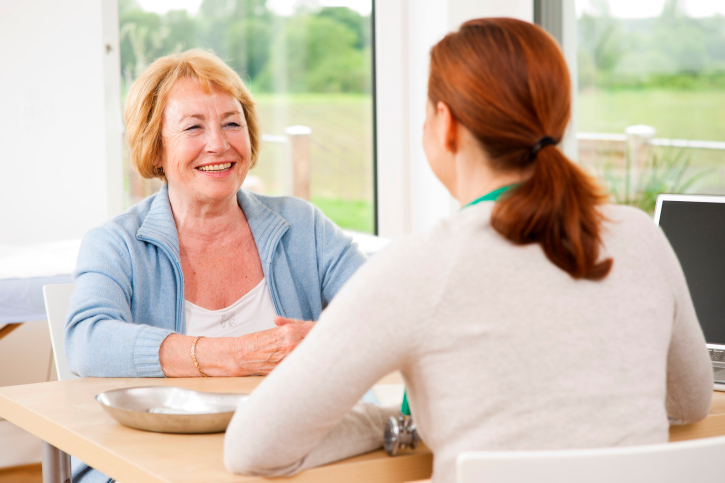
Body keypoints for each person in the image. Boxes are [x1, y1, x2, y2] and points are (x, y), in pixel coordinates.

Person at [223, 18, 713, 483]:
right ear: (558, 120)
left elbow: (253, 446)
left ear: (446, 123)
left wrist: (402, 421)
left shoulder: (419, 265)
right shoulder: (638, 234)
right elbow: (690, 401)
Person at [65, 49, 366, 482]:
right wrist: (233, 356)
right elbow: (86, 341)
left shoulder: (303, 226)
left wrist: (326, 339)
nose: (219, 144)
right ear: (156, 148)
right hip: (147, 463)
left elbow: (384, 309)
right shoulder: (115, 243)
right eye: (193, 128)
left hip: (283, 458)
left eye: (231, 123)